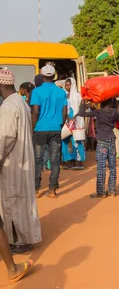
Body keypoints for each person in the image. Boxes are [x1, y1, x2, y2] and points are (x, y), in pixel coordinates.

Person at [0, 69, 42, 254]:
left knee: (11, 202)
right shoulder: (21, 101)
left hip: (13, 161)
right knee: (21, 200)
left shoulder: (8, 106)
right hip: (23, 157)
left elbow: (5, 139)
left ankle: (18, 240)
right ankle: (25, 237)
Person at [31, 64, 67, 199]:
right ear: (54, 75)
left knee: (38, 159)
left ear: (42, 75)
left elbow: (35, 111)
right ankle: (52, 190)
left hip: (40, 129)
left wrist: (32, 128)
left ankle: (36, 189)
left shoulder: (37, 91)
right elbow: (64, 112)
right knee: (55, 160)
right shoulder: (61, 92)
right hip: (55, 128)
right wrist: (60, 125)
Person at [78, 99, 119, 198]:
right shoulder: (114, 112)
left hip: (102, 141)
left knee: (101, 167)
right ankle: (112, 191)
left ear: (101, 103)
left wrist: (83, 104)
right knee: (112, 166)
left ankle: (101, 192)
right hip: (111, 140)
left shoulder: (99, 112)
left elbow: (81, 114)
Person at [61, 78, 86, 170]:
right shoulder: (63, 95)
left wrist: (74, 117)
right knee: (65, 140)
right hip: (66, 120)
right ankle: (68, 161)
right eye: (66, 85)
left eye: (69, 85)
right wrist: (67, 117)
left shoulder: (78, 95)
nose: (67, 87)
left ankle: (79, 162)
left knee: (77, 140)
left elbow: (81, 107)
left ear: (73, 85)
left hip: (76, 120)